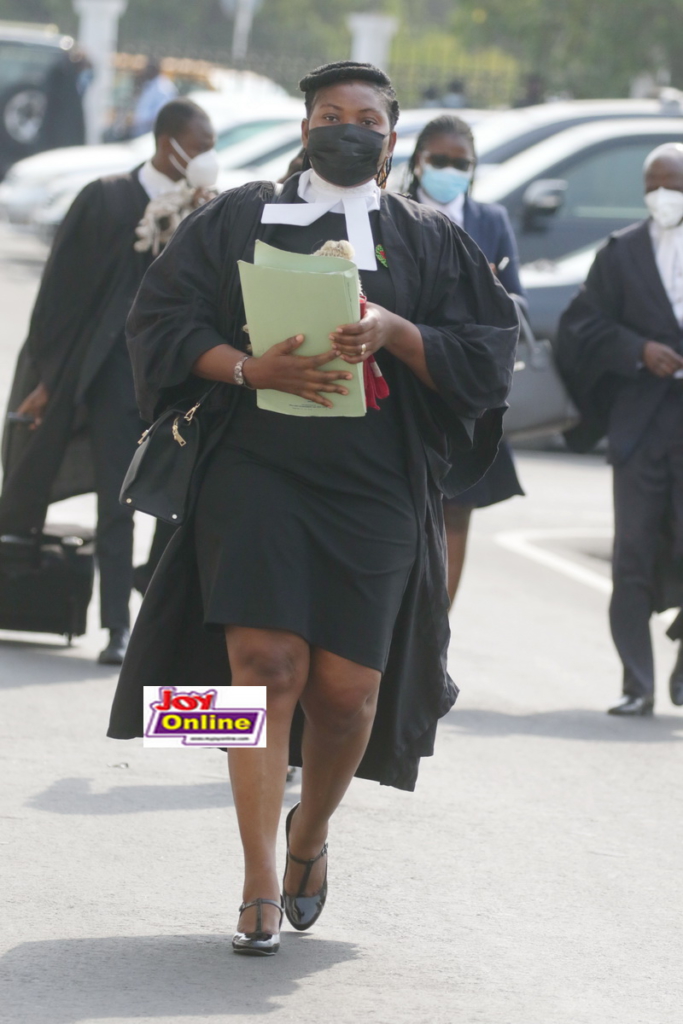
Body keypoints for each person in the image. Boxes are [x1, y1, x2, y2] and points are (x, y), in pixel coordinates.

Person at [107, 60, 518, 956]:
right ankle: (256, 875)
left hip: (372, 484)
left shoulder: (426, 237)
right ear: (303, 129)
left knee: (345, 693)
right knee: (262, 666)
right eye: (328, 114)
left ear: (390, 138)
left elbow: (487, 356)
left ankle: (310, 834)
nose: (345, 127)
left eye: (364, 116)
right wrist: (250, 366)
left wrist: (396, 333)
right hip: (254, 471)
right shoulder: (237, 217)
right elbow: (160, 321)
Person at [0, 99, 217, 665]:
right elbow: (60, 293)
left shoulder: (203, 213)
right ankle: (119, 629)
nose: (205, 159)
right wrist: (48, 376)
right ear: (167, 142)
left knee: (182, 499)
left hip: (173, 379)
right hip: (108, 375)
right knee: (116, 498)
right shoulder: (108, 197)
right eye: (198, 147)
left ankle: (147, 599)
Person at [557, 142, 683, 716]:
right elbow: (580, 326)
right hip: (640, 428)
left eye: (675, 186)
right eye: (655, 186)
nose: (664, 197)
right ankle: (637, 683)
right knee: (631, 554)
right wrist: (638, 350)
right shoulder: (621, 252)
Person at [407, 114, 525, 604]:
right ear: (417, 161)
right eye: (440, 160)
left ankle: (437, 629)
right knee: (409, 505)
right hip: (410, 374)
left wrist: (493, 297)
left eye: (462, 163)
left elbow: (515, 302)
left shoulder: (489, 221)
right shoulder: (392, 210)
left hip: (467, 384)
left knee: (457, 508)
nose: (450, 170)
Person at [131, 60, 178, 138]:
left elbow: (162, 112)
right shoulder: (148, 84)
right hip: (139, 130)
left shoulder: (164, 87)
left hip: (151, 131)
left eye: (150, 68)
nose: (147, 71)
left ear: (157, 69)